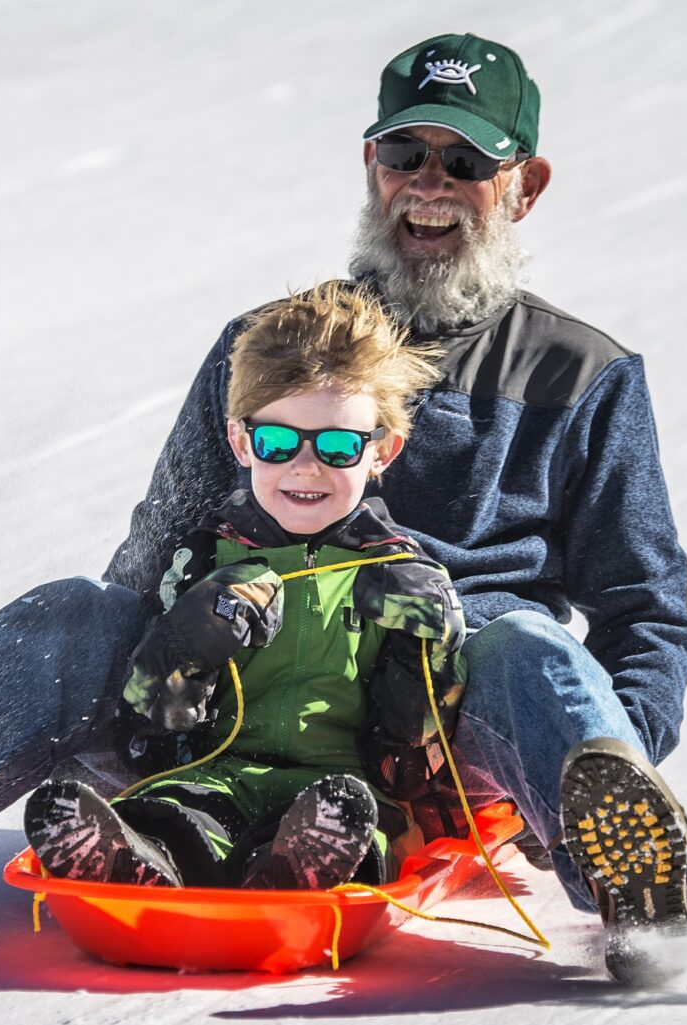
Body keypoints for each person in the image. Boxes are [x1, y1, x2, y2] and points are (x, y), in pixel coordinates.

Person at [0, 32, 687, 983]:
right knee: (81, 610)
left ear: (523, 186)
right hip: (237, 686)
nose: (429, 182)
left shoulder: (584, 377)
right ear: (373, 164)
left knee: (529, 644)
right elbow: (162, 540)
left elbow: (642, 613)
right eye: (406, 153)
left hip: (442, 725)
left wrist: (571, 768)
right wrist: (158, 672)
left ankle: (631, 872)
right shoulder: (266, 348)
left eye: (466, 161)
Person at [23, 282, 463, 892]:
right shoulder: (208, 556)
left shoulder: (398, 571)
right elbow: (151, 725)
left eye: (338, 446)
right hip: (217, 770)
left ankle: (297, 868)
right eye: (278, 442)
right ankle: (140, 860)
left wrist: (427, 646)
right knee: (180, 810)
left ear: (381, 452)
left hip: (342, 784)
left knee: (353, 819)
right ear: (240, 442)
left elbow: (413, 768)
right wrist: (190, 638)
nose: (305, 467)